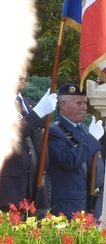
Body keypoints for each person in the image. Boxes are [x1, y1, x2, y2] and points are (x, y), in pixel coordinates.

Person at [47, 82, 105, 218]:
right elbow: (69, 160)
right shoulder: (54, 131)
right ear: (63, 105)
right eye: (78, 103)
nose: (84, 107)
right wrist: (92, 138)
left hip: (92, 203)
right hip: (69, 206)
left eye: (85, 103)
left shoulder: (84, 130)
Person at [0, 72, 56, 211]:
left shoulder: (29, 105)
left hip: (33, 192)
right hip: (8, 193)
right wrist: (37, 114)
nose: (22, 74)